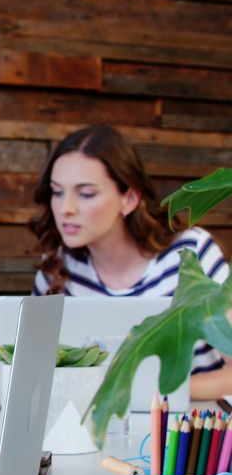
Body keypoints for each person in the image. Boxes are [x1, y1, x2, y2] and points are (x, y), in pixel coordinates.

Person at [30, 124, 232, 399]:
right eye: (57, 192)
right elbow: (37, 373)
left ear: (130, 198)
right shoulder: (58, 268)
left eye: (86, 193)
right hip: (98, 435)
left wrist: (150, 392)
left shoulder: (190, 253)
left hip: (187, 431)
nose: (66, 208)